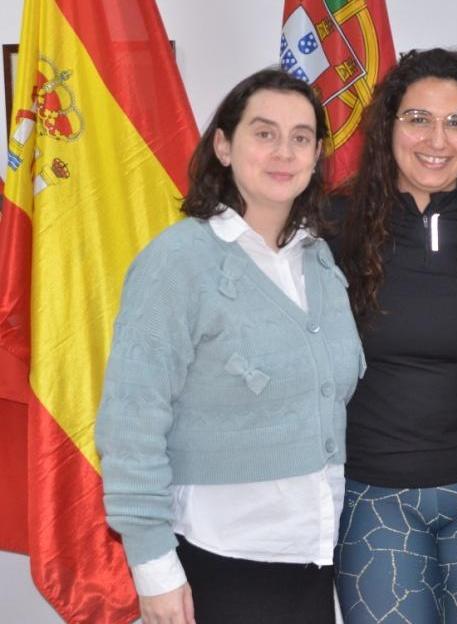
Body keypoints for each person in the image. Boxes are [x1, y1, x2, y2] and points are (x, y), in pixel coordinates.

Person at [95, 68, 362, 624]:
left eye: (301, 137)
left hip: (314, 559)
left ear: (317, 156)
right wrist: (153, 566)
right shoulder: (178, 262)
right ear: (223, 145)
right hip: (218, 560)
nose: (283, 152)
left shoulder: (318, 258)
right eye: (264, 133)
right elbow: (131, 421)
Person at [325, 48, 457, 624]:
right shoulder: (333, 225)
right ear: (388, 125)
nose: (437, 140)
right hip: (373, 495)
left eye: (456, 122)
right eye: (418, 119)